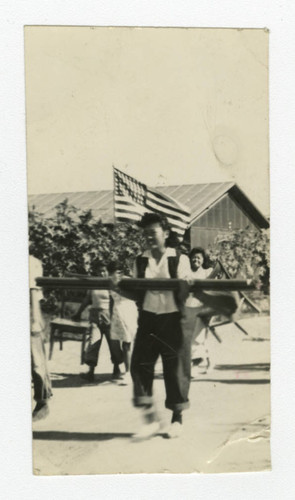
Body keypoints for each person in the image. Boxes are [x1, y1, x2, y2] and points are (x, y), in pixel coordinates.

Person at [129, 212, 192, 440]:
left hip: (172, 319)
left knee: (174, 371)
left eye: (152, 232)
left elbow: (186, 293)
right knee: (139, 367)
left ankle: (177, 419)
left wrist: (184, 287)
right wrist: (118, 286)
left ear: (165, 234)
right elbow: (134, 291)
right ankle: (150, 420)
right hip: (147, 318)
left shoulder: (179, 259)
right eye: (144, 234)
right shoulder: (140, 260)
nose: (148, 237)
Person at [72, 262, 123, 382]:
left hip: (109, 316)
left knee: (114, 343)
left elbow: (118, 300)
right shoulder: (93, 284)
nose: (101, 273)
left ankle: (116, 368)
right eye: (99, 271)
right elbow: (87, 299)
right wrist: (78, 312)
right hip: (94, 316)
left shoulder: (111, 284)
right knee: (93, 341)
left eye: (104, 271)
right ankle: (91, 371)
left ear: (108, 272)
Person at [29, 251, 52, 421]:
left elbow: (34, 293)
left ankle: (42, 402)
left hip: (28, 313)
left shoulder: (31, 262)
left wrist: (36, 319)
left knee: (36, 360)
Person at [108, 261, 138, 383]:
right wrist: (110, 314)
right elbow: (111, 299)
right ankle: (122, 366)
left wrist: (118, 289)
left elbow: (135, 296)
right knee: (115, 342)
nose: (111, 275)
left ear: (120, 272)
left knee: (127, 343)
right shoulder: (109, 281)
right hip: (116, 312)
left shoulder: (127, 281)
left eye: (113, 272)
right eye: (110, 272)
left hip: (127, 311)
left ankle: (128, 372)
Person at [184, 247, 213, 372]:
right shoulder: (186, 273)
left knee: (198, 337)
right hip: (188, 307)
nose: (196, 260)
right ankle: (210, 361)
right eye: (194, 257)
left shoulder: (207, 273)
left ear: (203, 260)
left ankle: (195, 365)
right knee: (194, 337)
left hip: (202, 308)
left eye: (199, 258)